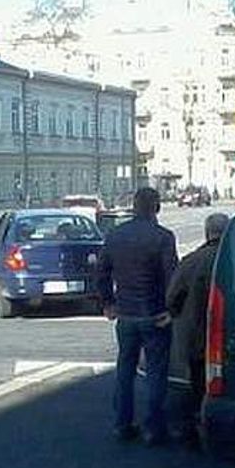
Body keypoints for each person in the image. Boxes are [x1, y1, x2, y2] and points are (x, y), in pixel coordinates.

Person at [96, 187, 178, 446]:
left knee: (125, 371)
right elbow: (171, 277)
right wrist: (171, 310)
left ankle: (122, 424)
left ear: (133, 206)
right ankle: (154, 429)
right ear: (157, 207)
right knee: (156, 373)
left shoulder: (115, 235)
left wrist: (108, 302)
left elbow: (101, 272)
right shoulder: (163, 237)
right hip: (155, 314)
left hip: (126, 314)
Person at [165, 212, 229, 446]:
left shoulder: (192, 261)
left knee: (199, 385)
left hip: (197, 337)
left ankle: (197, 429)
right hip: (234, 337)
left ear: (207, 232)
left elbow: (172, 299)